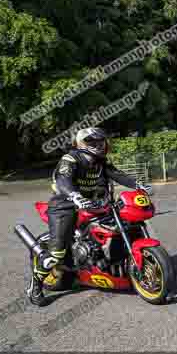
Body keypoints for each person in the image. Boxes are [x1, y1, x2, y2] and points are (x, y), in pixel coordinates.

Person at [27, 127, 151, 306]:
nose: (99, 145)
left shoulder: (101, 162)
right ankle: (35, 285)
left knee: (121, 226)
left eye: (101, 141)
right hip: (65, 206)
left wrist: (139, 184)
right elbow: (63, 179)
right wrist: (74, 195)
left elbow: (118, 175)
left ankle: (116, 264)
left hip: (93, 204)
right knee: (56, 253)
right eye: (94, 142)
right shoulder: (70, 159)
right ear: (82, 143)